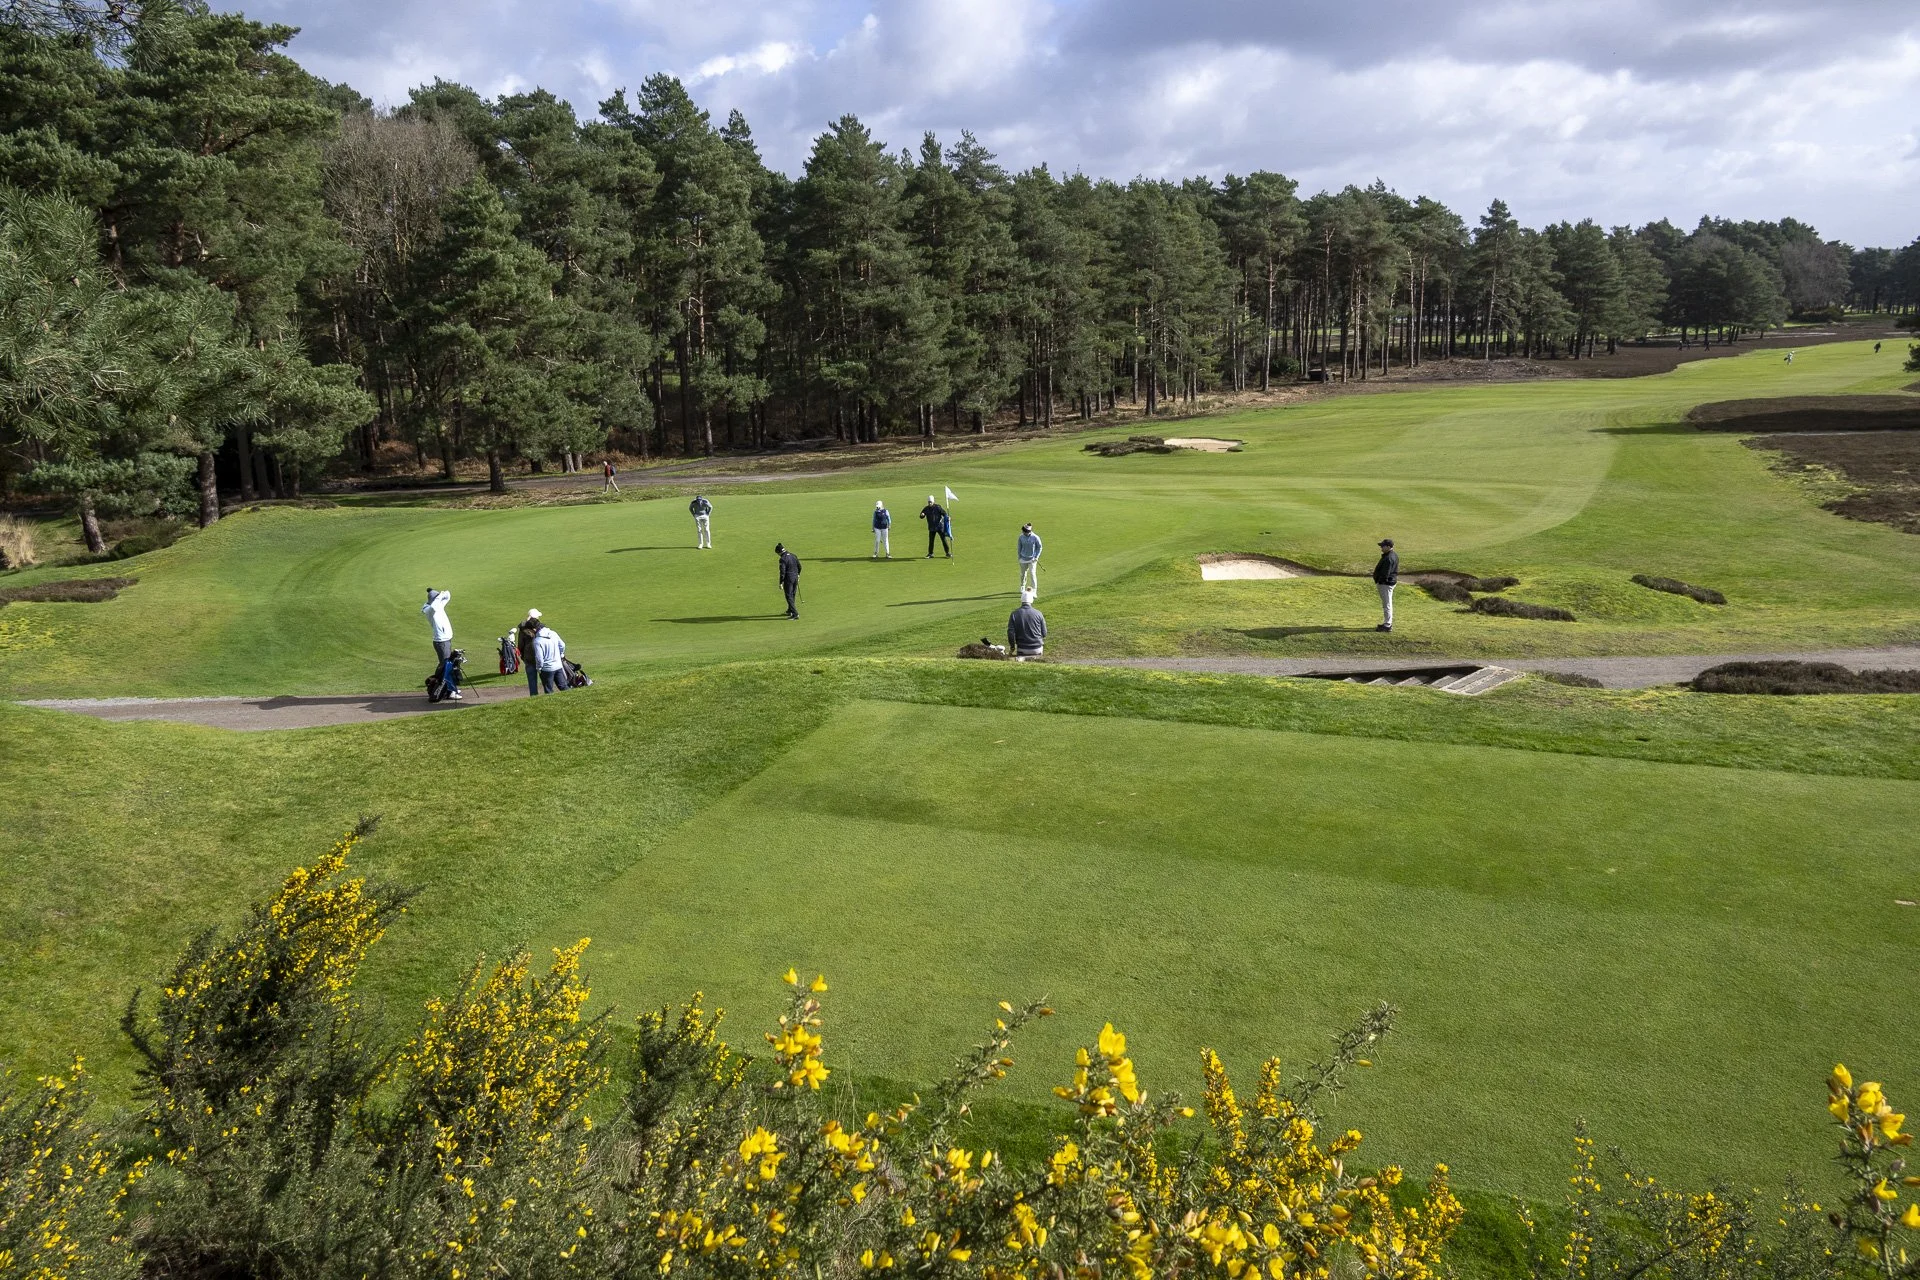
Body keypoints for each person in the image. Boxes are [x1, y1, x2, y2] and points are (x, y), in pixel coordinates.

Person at [1007, 590, 1046, 660]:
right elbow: (1044, 633)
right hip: (1037, 649)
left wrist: (1012, 647)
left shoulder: (1014, 614)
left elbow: (1010, 633)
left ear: (1021, 600)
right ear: (1031, 600)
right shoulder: (1039, 613)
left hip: (1022, 649)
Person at [532, 621, 568, 694]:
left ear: (535, 629)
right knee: (563, 686)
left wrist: (539, 668)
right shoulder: (553, 633)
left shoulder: (537, 641)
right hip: (558, 665)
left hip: (546, 669)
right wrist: (561, 654)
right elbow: (562, 645)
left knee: (549, 690)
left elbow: (539, 658)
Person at [422, 587, 454, 666]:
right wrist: (439, 596)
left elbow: (448, 595)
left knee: (446, 663)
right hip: (441, 641)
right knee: (445, 665)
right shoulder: (430, 610)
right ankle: (441, 678)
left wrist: (442, 594)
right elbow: (433, 606)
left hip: (445, 639)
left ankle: (444, 677)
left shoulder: (439, 605)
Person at [515, 610, 544, 697]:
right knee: (545, 680)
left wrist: (523, 657)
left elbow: (520, 645)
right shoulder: (540, 627)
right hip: (539, 658)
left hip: (529, 658)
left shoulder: (523, 629)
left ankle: (534, 697)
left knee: (532, 681)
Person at [1372, 538, 1398, 632]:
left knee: (1387, 604)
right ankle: (1387, 623)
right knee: (1387, 604)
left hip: (1386, 584)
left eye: (1382, 546)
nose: (1381, 548)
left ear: (1388, 547)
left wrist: (1380, 581)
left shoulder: (1388, 558)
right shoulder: (1392, 555)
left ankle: (1387, 625)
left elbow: (1385, 574)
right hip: (1388, 583)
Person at [1016, 523, 1042, 598]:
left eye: (1024, 531)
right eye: (1023, 530)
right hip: (1023, 559)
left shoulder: (1035, 537)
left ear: (1028, 531)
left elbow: (1039, 547)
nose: (1023, 532)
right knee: (1023, 574)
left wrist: (1036, 556)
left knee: (1032, 574)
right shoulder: (1021, 537)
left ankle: (1034, 591)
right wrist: (1019, 557)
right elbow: (1019, 547)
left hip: (1032, 559)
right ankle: (1022, 586)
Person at [776, 542, 802, 618]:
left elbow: (782, 572)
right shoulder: (793, 555)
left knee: (789, 596)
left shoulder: (782, 559)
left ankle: (795, 614)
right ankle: (790, 610)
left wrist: (781, 582)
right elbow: (799, 566)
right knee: (793, 594)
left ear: (779, 552)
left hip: (789, 579)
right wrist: (798, 575)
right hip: (795, 577)